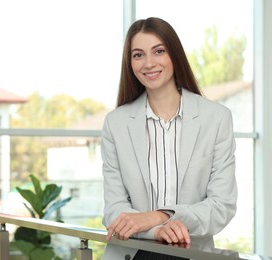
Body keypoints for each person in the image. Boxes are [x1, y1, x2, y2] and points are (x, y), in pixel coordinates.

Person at [101, 17, 237, 260]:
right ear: (130, 62)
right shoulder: (115, 123)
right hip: (134, 252)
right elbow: (113, 209)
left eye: (159, 51)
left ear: (174, 54)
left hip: (191, 252)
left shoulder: (216, 118)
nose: (148, 63)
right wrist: (156, 230)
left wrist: (160, 215)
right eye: (138, 55)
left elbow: (221, 206)